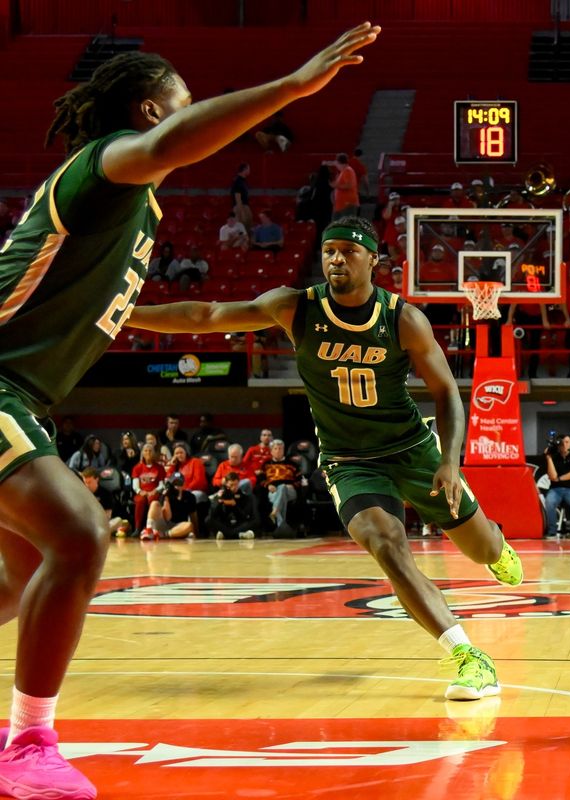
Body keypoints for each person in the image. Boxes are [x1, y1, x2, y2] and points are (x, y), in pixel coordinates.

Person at [128, 214, 524, 701]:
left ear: (373, 261)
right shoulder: (294, 307)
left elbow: (445, 391)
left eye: (349, 251)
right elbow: (205, 316)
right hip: (349, 459)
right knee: (387, 545)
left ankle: (495, 544)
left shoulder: (402, 318)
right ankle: (468, 655)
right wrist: (125, 313)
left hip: (412, 449)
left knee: (483, 552)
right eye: (329, 251)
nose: (336, 259)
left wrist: (450, 461)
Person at [543, 434, 570, 538]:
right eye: (562, 442)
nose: (564, 445)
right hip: (555, 489)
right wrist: (548, 458)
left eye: (567, 442)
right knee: (549, 501)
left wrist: (560, 479)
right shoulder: (554, 458)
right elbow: (552, 476)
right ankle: (552, 531)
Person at [260, 439, 301, 534]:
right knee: (282, 496)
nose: (278, 451)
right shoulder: (266, 465)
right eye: (275, 448)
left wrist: (293, 485)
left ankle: (275, 513)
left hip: (290, 490)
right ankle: (282, 526)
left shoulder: (292, 464)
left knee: (282, 487)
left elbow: (300, 480)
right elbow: (260, 480)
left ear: (283, 450)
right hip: (273, 491)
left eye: (280, 449)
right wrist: (268, 485)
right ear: (271, 451)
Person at [143, 472, 198, 541]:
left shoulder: (190, 497)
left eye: (179, 483)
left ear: (183, 484)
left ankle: (164, 535)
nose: (177, 486)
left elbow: (193, 516)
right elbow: (167, 517)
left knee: (189, 525)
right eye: (175, 483)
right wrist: (166, 499)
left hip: (178, 527)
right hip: (165, 523)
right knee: (154, 503)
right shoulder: (165, 495)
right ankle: (149, 531)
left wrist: (196, 532)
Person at [206, 471, 258, 540]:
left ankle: (226, 534)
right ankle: (238, 535)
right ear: (226, 484)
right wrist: (219, 501)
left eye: (236, 485)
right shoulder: (220, 495)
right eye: (231, 485)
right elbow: (212, 514)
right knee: (208, 520)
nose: (234, 487)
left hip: (239, 524)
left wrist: (234, 505)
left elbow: (244, 516)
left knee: (255, 520)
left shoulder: (244, 496)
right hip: (225, 524)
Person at [80, 467, 129, 537]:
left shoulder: (106, 494)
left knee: (118, 520)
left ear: (96, 480)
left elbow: (107, 517)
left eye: (89, 482)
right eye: (85, 482)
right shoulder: (82, 494)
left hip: (101, 523)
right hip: (86, 523)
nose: (87, 485)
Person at [131, 443, 167, 533]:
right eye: (146, 451)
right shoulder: (137, 468)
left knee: (152, 500)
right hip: (142, 492)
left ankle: (151, 528)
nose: (148, 453)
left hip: (154, 491)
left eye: (150, 451)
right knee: (140, 500)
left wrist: (156, 490)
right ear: (142, 453)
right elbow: (135, 485)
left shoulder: (159, 468)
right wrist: (140, 491)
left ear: (154, 453)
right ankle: (137, 528)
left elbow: (162, 484)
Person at [330, 153, 358, 219]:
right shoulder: (343, 171)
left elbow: (349, 185)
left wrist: (335, 185)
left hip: (346, 204)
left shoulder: (347, 171)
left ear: (339, 162)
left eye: (337, 163)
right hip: (340, 205)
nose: (336, 166)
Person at [231, 162, 252, 229]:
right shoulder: (238, 181)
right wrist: (242, 212)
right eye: (248, 169)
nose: (249, 171)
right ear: (245, 169)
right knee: (241, 229)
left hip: (244, 206)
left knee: (247, 227)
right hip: (240, 207)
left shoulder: (242, 181)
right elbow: (238, 198)